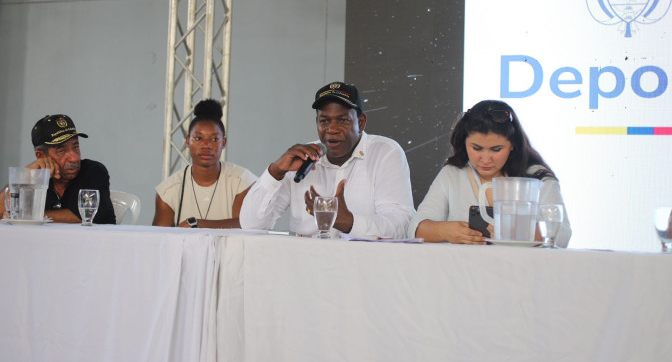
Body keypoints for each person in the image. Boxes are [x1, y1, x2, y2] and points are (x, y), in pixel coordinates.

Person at [239, 81, 415, 238]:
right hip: (305, 261)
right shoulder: (302, 159)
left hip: (362, 262)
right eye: (324, 121)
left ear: (361, 123)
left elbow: (401, 224)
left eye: (343, 120)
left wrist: (349, 222)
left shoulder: (385, 153)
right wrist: (275, 172)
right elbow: (251, 226)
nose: (332, 129)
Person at [408, 100, 572, 247]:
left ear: (513, 144)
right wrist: (446, 231)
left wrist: (523, 233)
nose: (486, 159)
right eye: (476, 148)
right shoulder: (452, 174)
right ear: (464, 142)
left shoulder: (537, 178)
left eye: (496, 149)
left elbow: (562, 233)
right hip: (463, 268)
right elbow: (416, 229)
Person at [153, 99, 257, 228]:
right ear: (187, 141)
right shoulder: (167, 192)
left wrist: (198, 224)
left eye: (214, 139)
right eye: (198, 138)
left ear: (223, 143)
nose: (206, 145)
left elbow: (245, 225)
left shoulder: (242, 181)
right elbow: (159, 237)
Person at [1, 114, 116, 224]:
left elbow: (83, 216)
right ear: (41, 156)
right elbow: (2, 211)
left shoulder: (93, 171)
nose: (74, 158)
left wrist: (31, 216)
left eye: (76, 147)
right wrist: (25, 176)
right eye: (62, 151)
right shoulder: (36, 177)